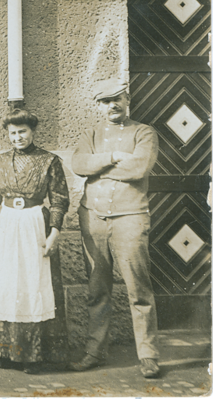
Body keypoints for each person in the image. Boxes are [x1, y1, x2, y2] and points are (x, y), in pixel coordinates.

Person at [69, 78, 161, 379]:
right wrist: (111, 157)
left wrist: (100, 167)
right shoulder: (91, 133)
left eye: (117, 98)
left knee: (138, 289)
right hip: (94, 218)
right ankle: (95, 352)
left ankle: (148, 356)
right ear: (98, 105)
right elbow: (79, 164)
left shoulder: (143, 132)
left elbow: (139, 168)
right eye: (106, 101)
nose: (112, 105)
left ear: (127, 99)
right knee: (97, 290)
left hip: (130, 217)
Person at [0, 109, 70, 373]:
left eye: (22, 132)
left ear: (33, 132)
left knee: (33, 283)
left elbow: (59, 199)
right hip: (6, 223)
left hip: (34, 223)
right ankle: (5, 352)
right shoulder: (0, 161)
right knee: (7, 283)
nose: (17, 137)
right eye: (13, 133)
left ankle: (34, 355)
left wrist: (54, 231)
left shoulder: (49, 161)